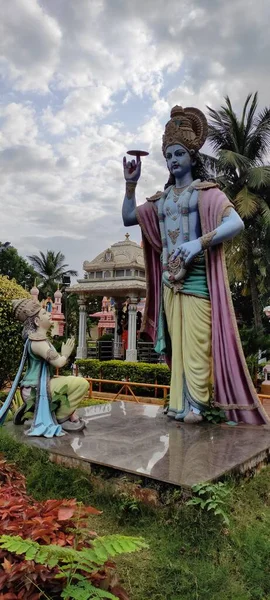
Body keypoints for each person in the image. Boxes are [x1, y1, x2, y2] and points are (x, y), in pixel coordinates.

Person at [122, 105, 268, 425]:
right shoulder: (160, 201)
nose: (173, 161)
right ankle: (180, 405)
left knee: (199, 346)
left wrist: (196, 243)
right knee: (179, 348)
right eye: (169, 156)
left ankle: (201, 406)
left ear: (191, 155)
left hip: (198, 279)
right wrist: (131, 184)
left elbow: (236, 224)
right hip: (170, 283)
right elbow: (129, 217)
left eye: (178, 154)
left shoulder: (206, 193)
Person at [0, 298, 89, 436]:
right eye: (44, 313)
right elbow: (59, 363)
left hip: (34, 387)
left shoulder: (38, 340)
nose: (49, 314)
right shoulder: (37, 342)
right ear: (37, 321)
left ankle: (64, 412)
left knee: (68, 383)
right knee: (81, 383)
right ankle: (61, 417)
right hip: (35, 389)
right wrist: (65, 355)